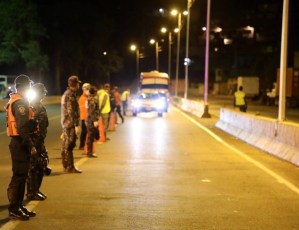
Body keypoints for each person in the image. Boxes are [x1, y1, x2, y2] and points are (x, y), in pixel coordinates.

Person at [6, 74, 37, 220]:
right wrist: (30, 145)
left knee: (22, 176)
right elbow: (23, 127)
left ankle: (19, 206)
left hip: (19, 142)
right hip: (20, 143)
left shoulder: (18, 101)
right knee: (19, 177)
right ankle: (14, 208)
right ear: (26, 87)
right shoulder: (20, 104)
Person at [26, 83, 50, 201]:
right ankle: (31, 192)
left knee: (40, 165)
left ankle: (35, 190)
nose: (44, 95)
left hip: (39, 141)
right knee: (34, 167)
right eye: (43, 92)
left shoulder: (38, 105)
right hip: (35, 141)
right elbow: (32, 125)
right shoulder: (33, 106)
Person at [61, 75, 82, 173]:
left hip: (68, 123)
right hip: (70, 124)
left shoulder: (70, 94)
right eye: (78, 83)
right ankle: (69, 167)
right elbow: (70, 111)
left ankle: (68, 166)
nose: (79, 85)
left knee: (68, 144)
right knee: (69, 145)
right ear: (75, 84)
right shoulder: (69, 95)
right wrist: (76, 124)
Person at [85, 86, 100, 157]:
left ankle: (90, 152)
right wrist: (94, 121)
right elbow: (92, 111)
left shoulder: (90, 98)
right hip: (91, 120)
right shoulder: (92, 100)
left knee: (92, 136)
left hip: (91, 119)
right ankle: (89, 153)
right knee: (91, 137)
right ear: (94, 92)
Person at [78, 83, 91, 150]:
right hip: (84, 117)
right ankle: (82, 144)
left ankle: (86, 143)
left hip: (88, 117)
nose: (88, 91)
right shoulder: (82, 98)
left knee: (87, 131)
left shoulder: (88, 97)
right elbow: (84, 109)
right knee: (84, 131)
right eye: (87, 89)